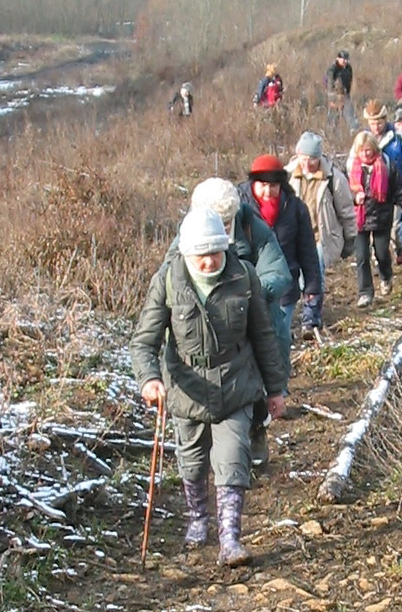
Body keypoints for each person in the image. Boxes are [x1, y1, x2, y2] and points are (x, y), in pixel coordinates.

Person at [132, 207, 287, 566]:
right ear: (187, 253)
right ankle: (198, 517)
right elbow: (144, 341)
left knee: (233, 459)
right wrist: (149, 379)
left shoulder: (244, 276)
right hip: (186, 388)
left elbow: (264, 336)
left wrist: (276, 389)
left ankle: (230, 539)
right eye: (201, 256)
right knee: (192, 461)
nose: (208, 263)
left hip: (236, 384)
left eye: (215, 254)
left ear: (225, 247)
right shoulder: (169, 280)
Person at [188, 177, 293, 469]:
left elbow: (280, 273)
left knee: (255, 384)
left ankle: (256, 431)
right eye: (214, 222)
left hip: (252, 321)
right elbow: (171, 279)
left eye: (225, 222)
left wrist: (248, 292)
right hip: (208, 327)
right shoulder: (190, 235)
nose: (219, 230)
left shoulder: (253, 228)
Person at [240, 154, 323, 346]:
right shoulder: (239, 207)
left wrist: (312, 286)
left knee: (278, 337)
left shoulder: (295, 208)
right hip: (248, 287)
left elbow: (307, 249)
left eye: (274, 186)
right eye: (263, 185)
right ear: (253, 183)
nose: (268, 191)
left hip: (285, 285)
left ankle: (279, 372)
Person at [285, 131, 357, 328]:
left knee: (315, 274)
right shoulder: (288, 177)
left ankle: (311, 315)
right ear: (297, 154)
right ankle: (297, 311)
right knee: (295, 276)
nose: (308, 164)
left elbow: (347, 212)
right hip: (294, 237)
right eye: (304, 158)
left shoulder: (334, 178)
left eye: (313, 159)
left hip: (320, 237)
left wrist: (351, 238)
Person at [347, 130, 402, 305]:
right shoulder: (351, 168)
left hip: (382, 217)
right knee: (362, 256)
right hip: (359, 218)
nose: (365, 154)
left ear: (374, 149)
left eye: (368, 150)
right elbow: (343, 194)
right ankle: (365, 292)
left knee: (381, 253)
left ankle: (386, 275)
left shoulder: (386, 165)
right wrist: (354, 197)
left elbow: (399, 191)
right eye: (362, 151)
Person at [324, 48, 356, 133]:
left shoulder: (348, 68)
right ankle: (332, 132)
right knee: (334, 116)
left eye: (346, 59)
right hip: (334, 95)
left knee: (350, 114)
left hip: (345, 94)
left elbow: (349, 80)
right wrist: (332, 98)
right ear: (338, 58)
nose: (344, 61)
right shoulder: (333, 69)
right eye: (343, 59)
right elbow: (329, 83)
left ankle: (353, 131)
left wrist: (347, 92)